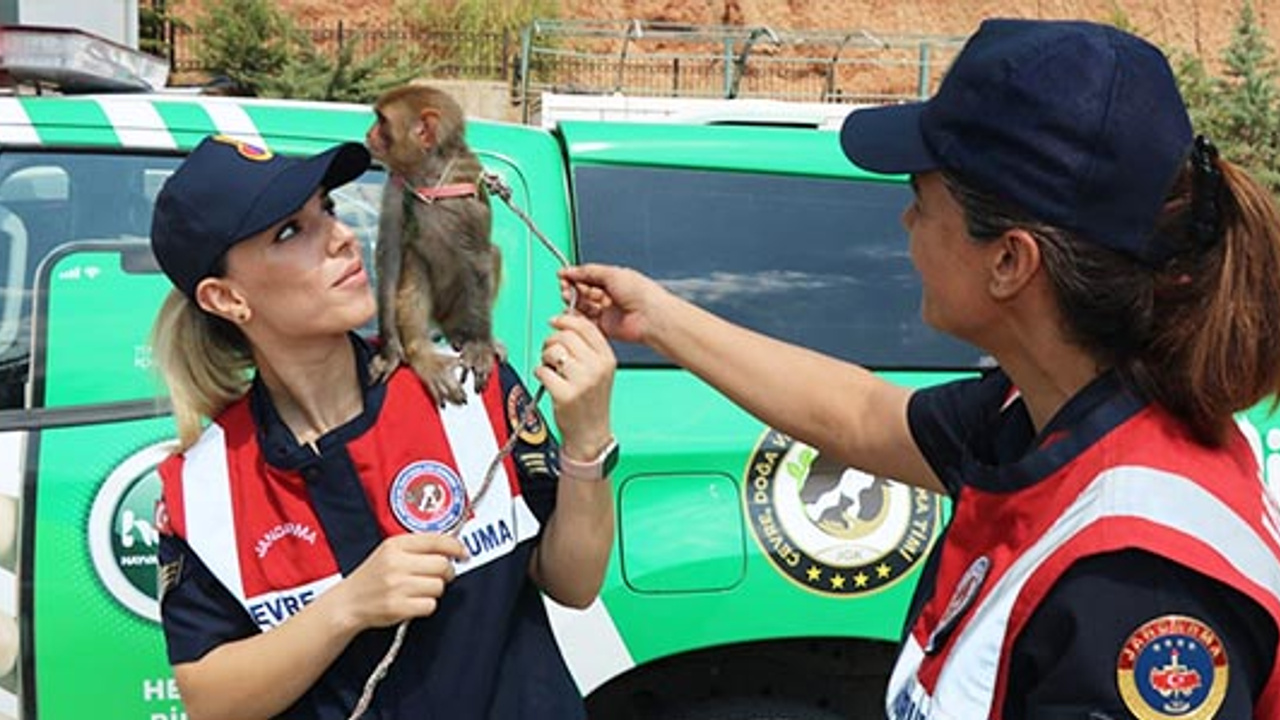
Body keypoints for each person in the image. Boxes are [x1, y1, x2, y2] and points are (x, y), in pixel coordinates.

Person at [561, 18, 1280, 720]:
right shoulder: (1051, 410)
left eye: (918, 199)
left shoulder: (1131, 585)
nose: (904, 224)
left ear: (1010, 261)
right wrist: (656, 317)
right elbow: (861, 416)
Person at [148, 135, 617, 720]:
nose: (344, 238)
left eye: (328, 210)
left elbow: (573, 582)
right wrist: (348, 606)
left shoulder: (471, 388)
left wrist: (588, 440)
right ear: (226, 298)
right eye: (290, 232)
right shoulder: (201, 484)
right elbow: (211, 699)